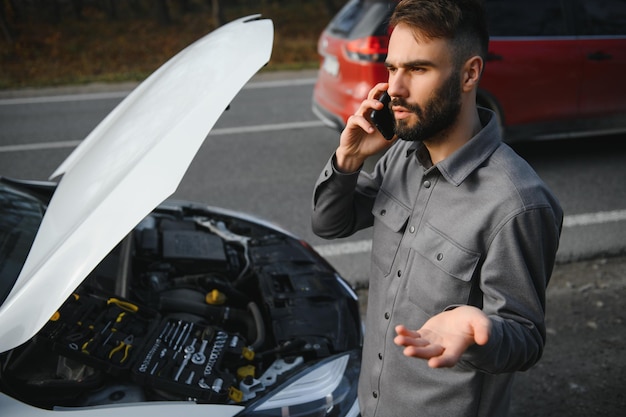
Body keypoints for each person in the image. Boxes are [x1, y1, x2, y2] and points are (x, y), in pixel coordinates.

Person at [310, 0, 563, 416]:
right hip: (371, 403)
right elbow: (329, 224)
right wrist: (348, 161)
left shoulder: (518, 204)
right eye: (392, 68)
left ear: (469, 73)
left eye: (418, 69)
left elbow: (526, 340)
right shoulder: (400, 157)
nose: (395, 89)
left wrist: (483, 332)